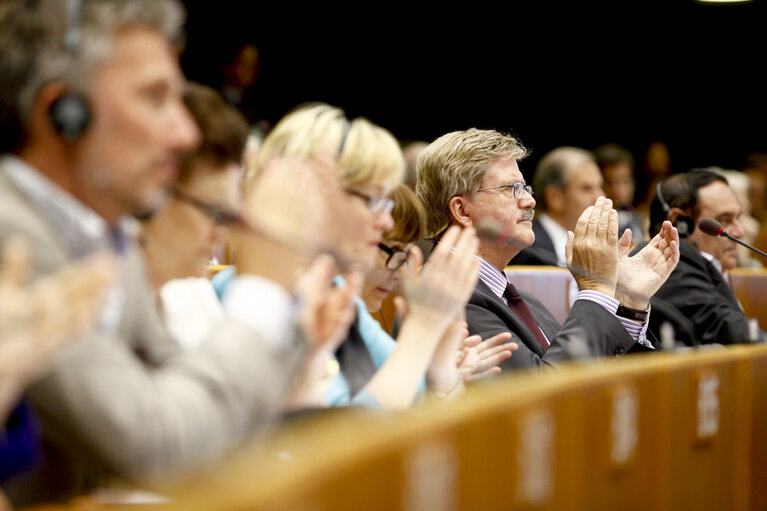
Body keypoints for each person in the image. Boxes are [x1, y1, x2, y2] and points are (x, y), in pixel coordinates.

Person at [0, 0, 346, 503]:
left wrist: (286, 318)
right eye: (155, 97)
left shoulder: (100, 235)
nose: (184, 133)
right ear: (63, 112)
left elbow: (210, 417)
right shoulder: (13, 235)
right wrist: (263, 285)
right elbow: (155, 445)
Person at [416, 128, 681, 371]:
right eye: (512, 189)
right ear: (462, 210)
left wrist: (628, 303)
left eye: (525, 188)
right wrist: (594, 291)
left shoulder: (522, 301)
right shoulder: (446, 297)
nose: (530, 200)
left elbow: (597, 379)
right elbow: (543, 397)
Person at [645, 169, 762, 345]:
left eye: (738, 218)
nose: (740, 232)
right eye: (724, 220)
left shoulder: (698, 267)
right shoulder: (668, 266)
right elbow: (731, 332)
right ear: (679, 223)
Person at [510, 146, 604, 267]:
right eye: (586, 189)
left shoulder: (595, 246)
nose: (600, 197)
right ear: (555, 197)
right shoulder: (529, 251)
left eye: (600, 187)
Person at [594, 143, 646, 243]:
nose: (618, 190)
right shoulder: (587, 227)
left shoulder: (644, 223)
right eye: (609, 182)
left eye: (624, 181)